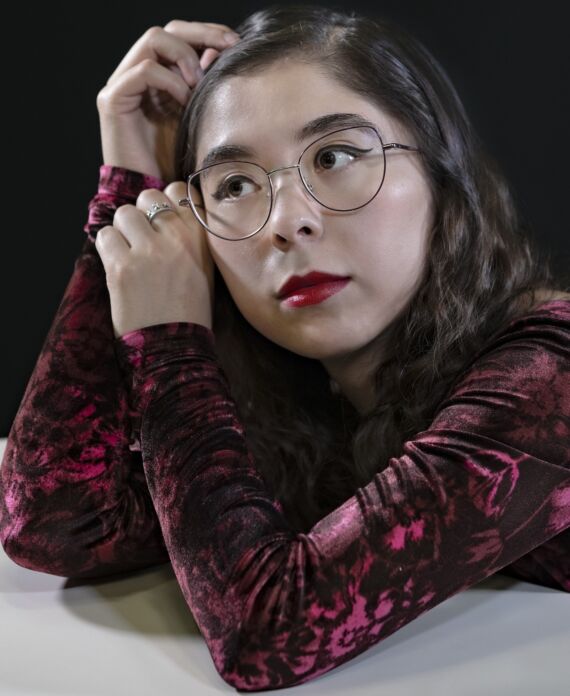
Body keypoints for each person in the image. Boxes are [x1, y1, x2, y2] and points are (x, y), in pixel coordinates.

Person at [1, 4, 569, 691]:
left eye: (334, 156)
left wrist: (170, 346)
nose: (288, 220)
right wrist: (128, 197)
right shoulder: (310, 405)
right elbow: (53, 522)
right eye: (236, 185)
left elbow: (267, 631)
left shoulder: (550, 373)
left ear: (440, 177)